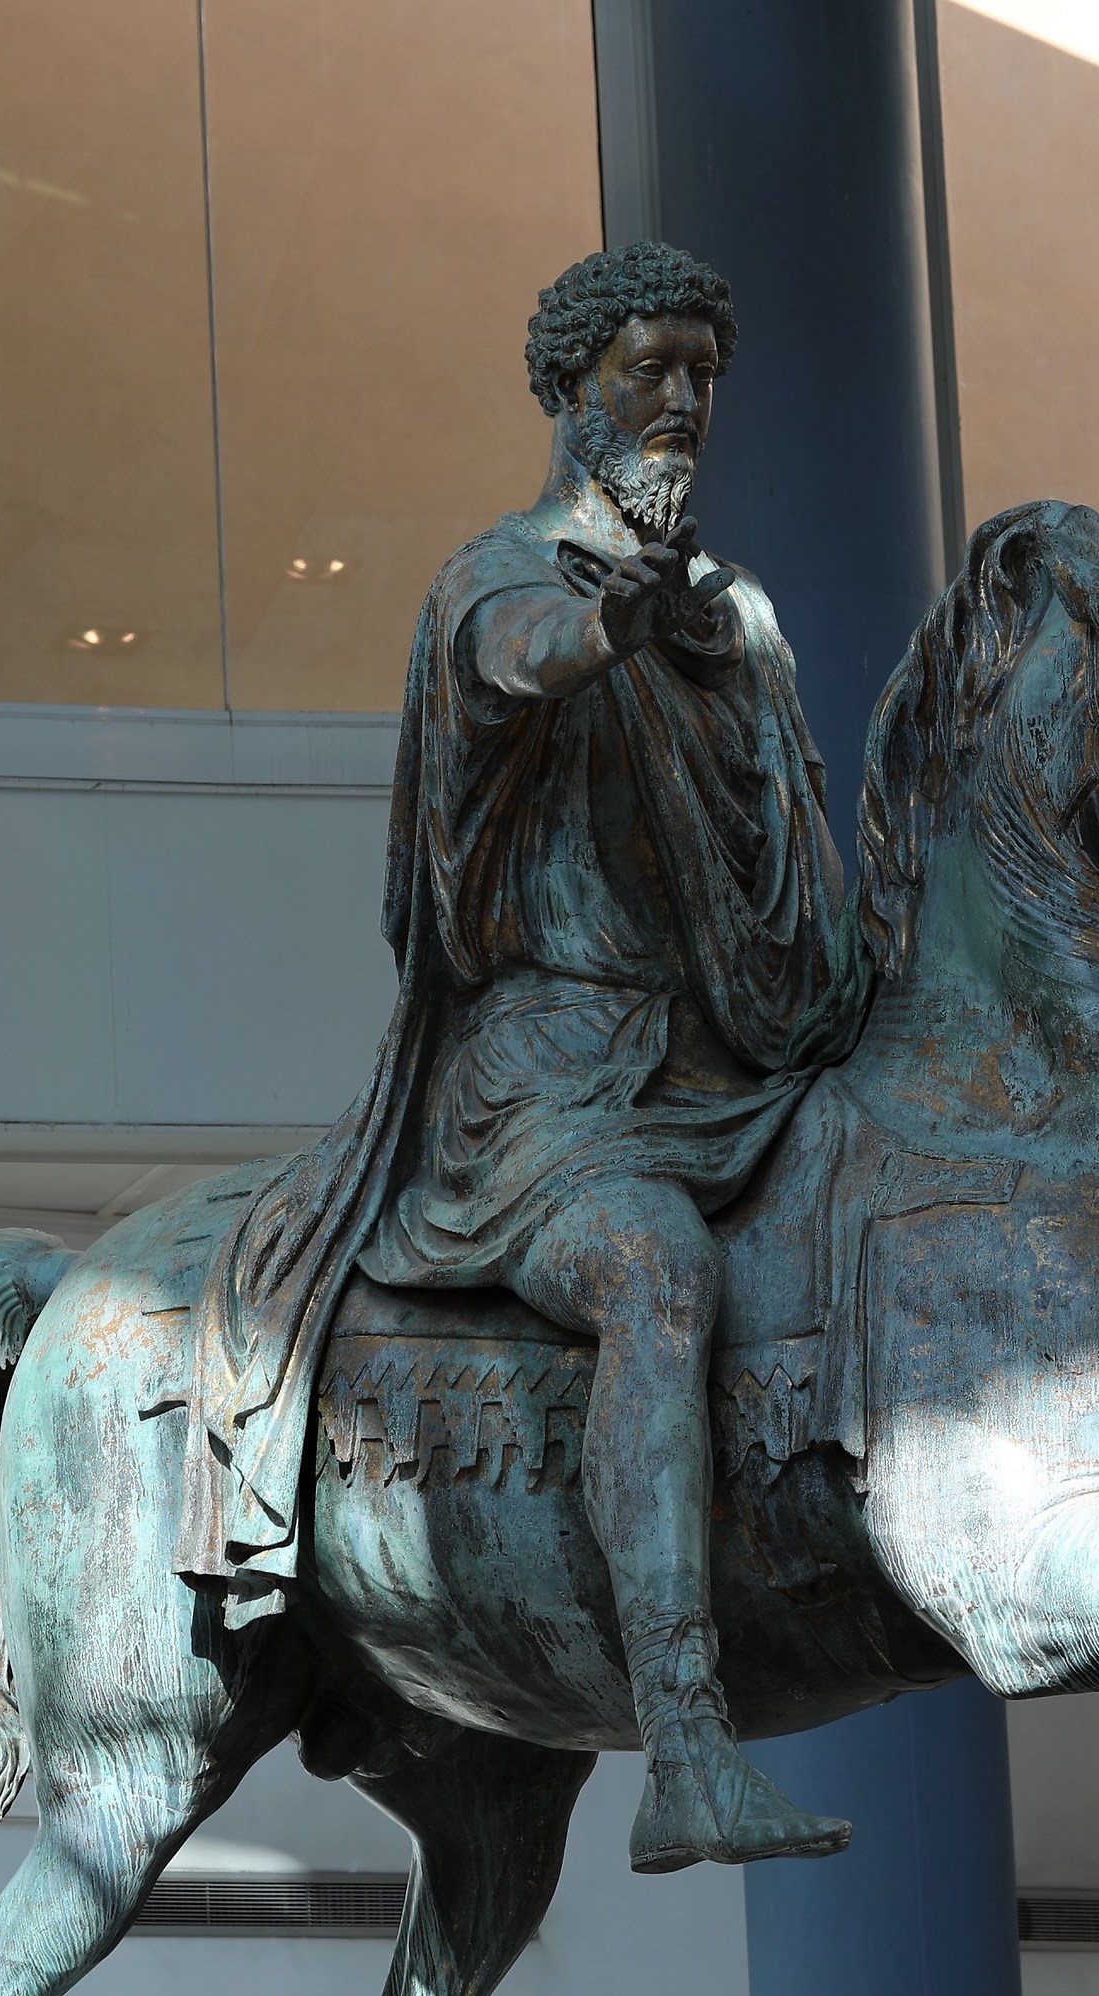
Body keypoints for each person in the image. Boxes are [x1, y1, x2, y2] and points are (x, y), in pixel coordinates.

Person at [179, 243, 855, 1871]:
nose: (685, 400)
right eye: (649, 369)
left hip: (728, 1068)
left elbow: (797, 851)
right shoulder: (503, 578)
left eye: (704, 371)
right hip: (545, 1085)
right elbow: (518, 663)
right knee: (653, 1271)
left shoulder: (734, 616)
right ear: (568, 389)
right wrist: (609, 629)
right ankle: (686, 1747)